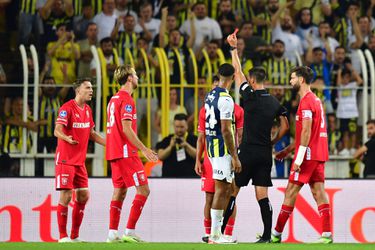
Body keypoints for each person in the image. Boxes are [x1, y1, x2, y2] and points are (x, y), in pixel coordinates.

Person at [227, 30, 289, 243]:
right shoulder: (274, 102)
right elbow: (285, 124)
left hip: (247, 152)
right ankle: (266, 236)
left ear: (252, 80)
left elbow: (237, 73)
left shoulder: (249, 96)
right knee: (262, 195)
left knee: (233, 192)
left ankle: (221, 233)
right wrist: (273, 140)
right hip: (265, 153)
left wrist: (234, 49)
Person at [271, 66, 332, 244]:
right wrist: (289, 149)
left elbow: (306, 132)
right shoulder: (316, 100)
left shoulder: (305, 102)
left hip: (307, 156)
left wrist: (298, 158)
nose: (290, 82)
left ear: (301, 80)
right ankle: (327, 234)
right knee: (318, 192)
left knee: (291, 191)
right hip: (318, 153)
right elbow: (308, 133)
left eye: (292, 78)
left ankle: (275, 234)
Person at [105, 65, 158, 243]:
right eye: (135, 74)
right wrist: (144, 149)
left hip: (114, 152)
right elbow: (126, 128)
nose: (137, 77)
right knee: (143, 189)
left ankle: (112, 234)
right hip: (126, 152)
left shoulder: (113, 100)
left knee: (119, 191)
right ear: (129, 78)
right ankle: (129, 231)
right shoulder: (127, 100)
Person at [54, 78, 105, 242]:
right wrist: (66, 138)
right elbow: (57, 130)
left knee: (83, 196)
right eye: (88, 87)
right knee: (66, 195)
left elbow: (91, 134)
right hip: (65, 160)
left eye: (92, 87)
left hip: (79, 162)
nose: (91, 90)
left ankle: (75, 236)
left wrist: (110, 145)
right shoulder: (66, 108)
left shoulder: (88, 110)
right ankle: (62, 236)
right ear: (78, 90)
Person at [195, 75, 244, 243]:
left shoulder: (210, 99)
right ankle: (214, 235)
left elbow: (240, 134)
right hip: (221, 152)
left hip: (216, 151)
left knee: (229, 191)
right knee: (220, 192)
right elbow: (225, 131)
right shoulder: (225, 100)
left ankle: (221, 234)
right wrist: (235, 156)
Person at [156, 113, 197, 178]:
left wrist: (186, 145)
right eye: (177, 127)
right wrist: (170, 146)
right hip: (168, 179)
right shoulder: (167, 140)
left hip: (190, 178)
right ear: (173, 126)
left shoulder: (194, 139)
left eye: (182, 127)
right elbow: (160, 156)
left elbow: (198, 156)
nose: (179, 130)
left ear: (187, 126)